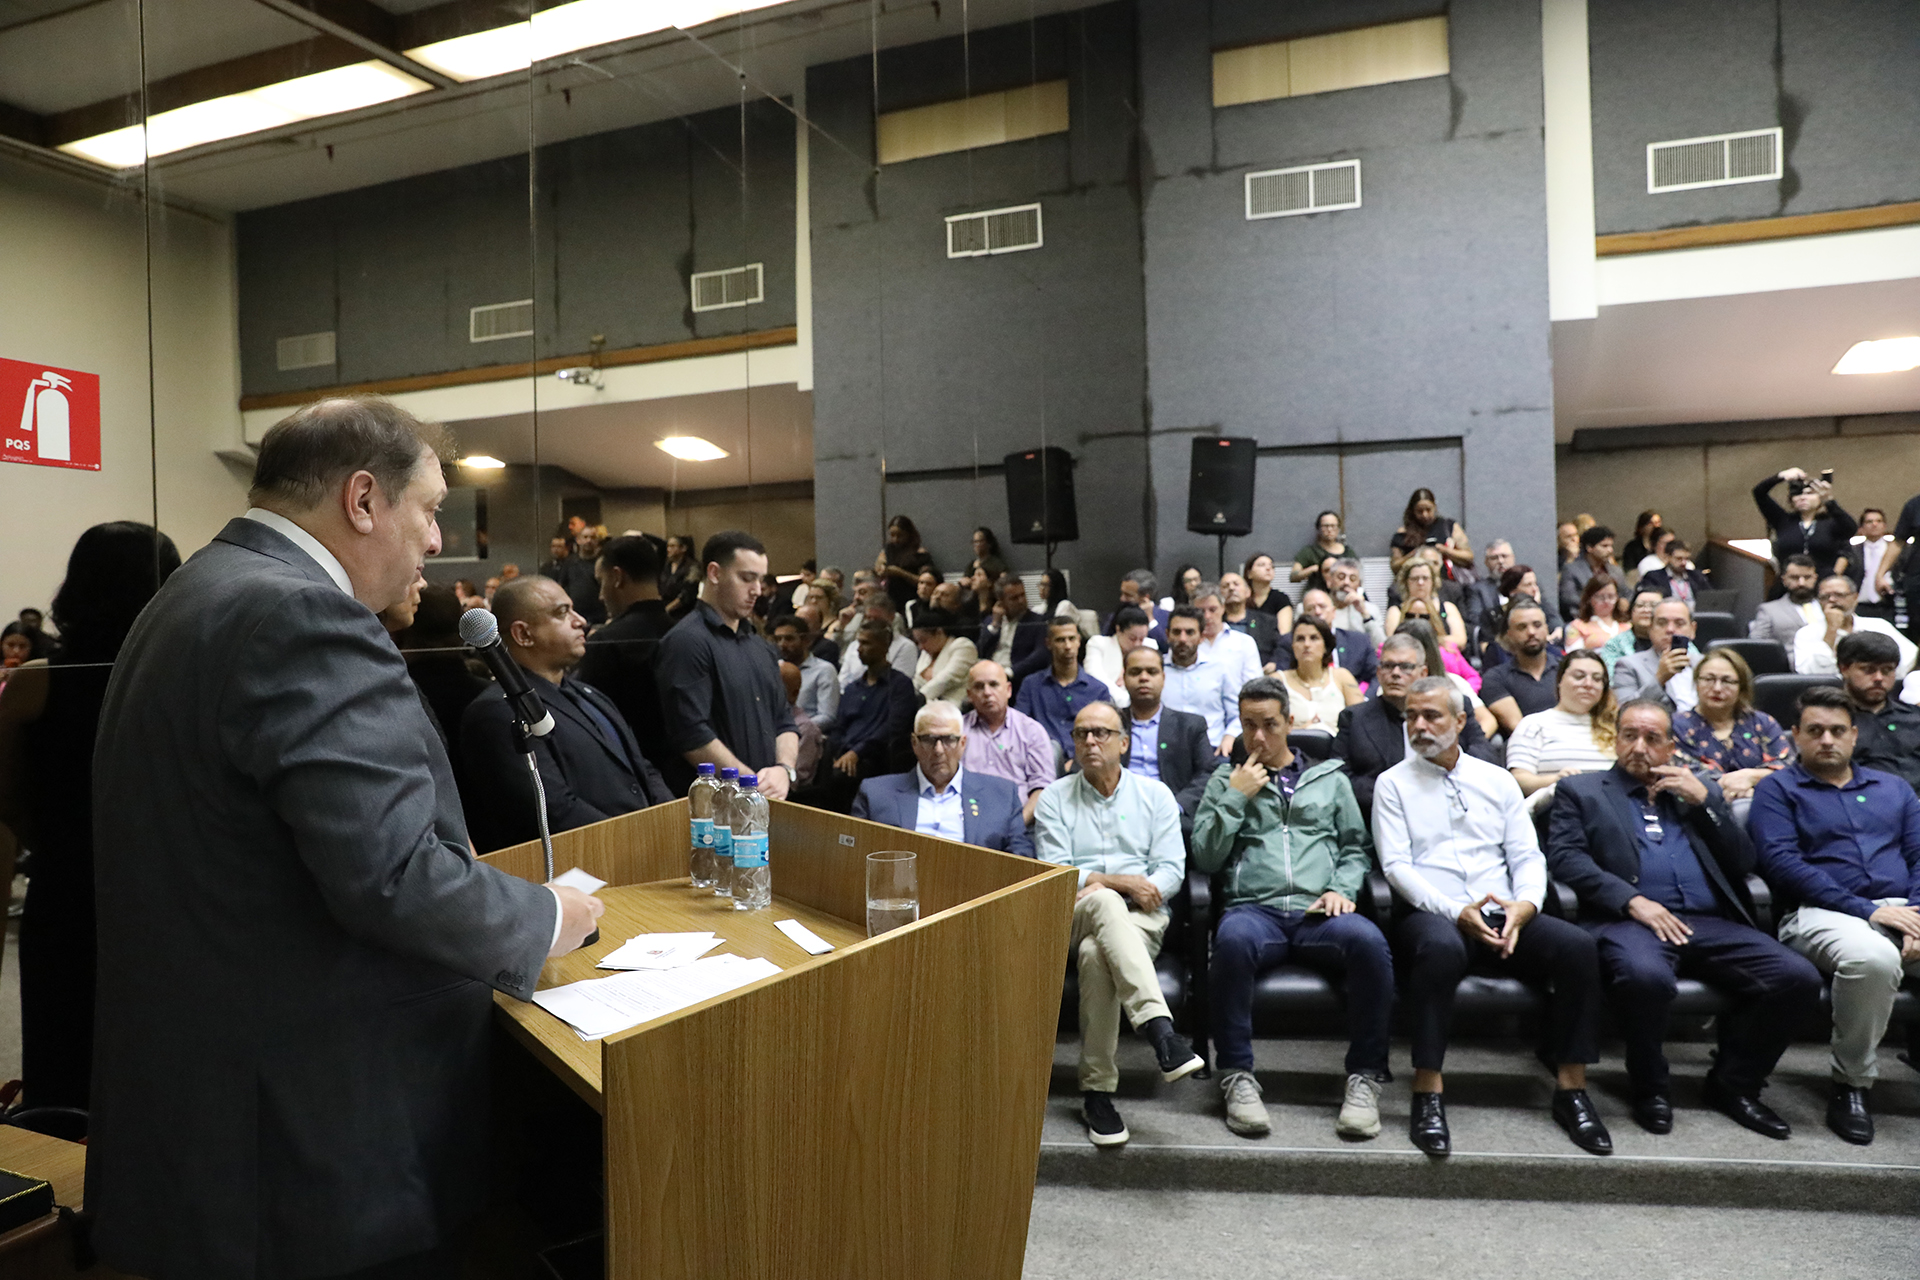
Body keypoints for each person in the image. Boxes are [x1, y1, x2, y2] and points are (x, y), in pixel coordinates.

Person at [86, 398, 604, 1278]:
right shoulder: (303, 617)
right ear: (363, 499)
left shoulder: (198, 590)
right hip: (308, 1137)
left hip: (206, 1104)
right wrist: (550, 916)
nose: (436, 541)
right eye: (430, 510)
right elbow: (395, 876)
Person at [1549, 698, 1821, 1137]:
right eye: (1630, 736)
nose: (1639, 747)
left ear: (1671, 747)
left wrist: (1704, 803)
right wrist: (1632, 901)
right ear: (1615, 740)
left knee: (1797, 978)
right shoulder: (1582, 790)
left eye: (1652, 738)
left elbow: (1743, 861)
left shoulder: (1696, 792)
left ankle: (1734, 1084)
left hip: (1710, 921)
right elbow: (1566, 858)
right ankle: (1650, 1088)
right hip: (1629, 922)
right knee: (1646, 978)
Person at [1375, 678, 1611, 1157]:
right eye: (1411, 716)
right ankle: (1427, 1090)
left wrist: (1526, 905)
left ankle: (1572, 1089)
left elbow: (1526, 855)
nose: (1419, 725)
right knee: (1438, 949)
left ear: (1461, 721)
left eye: (1431, 716)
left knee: (1578, 948)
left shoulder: (1496, 779)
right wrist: (1454, 911)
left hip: (1504, 910)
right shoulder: (1392, 783)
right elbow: (1396, 867)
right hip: (1435, 911)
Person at [0, 524, 179, 1113]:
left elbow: (8, 803)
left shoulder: (36, 681)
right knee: (156, 1072)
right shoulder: (182, 676)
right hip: (166, 890)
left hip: (64, 892)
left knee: (62, 1064)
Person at [1191, 676, 1393, 1140]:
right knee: (1231, 942)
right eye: (1248, 725)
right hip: (1254, 911)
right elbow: (1206, 857)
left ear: (1290, 722)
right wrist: (1235, 796)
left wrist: (1342, 887)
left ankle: (1365, 1077)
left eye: (1269, 724)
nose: (1258, 737)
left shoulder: (1330, 779)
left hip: (1318, 911)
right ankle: (1237, 1076)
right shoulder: (1224, 779)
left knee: (1370, 943)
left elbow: (1355, 847)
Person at [1749, 686, 1920, 1144]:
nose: (1827, 739)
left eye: (1837, 730)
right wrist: (1870, 911)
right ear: (1796, 735)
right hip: (1821, 913)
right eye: (1815, 730)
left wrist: (1916, 913)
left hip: (1904, 909)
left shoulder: (1894, 788)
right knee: (1874, 959)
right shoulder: (1777, 790)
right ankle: (1851, 1084)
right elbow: (1783, 866)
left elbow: (1919, 853)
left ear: (1854, 735)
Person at [1034, 702, 1202, 1147]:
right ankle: (1160, 1030)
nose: (1090, 741)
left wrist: (1112, 885)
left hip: (1143, 919)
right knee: (1104, 900)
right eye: (1081, 733)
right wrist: (1120, 883)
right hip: (1073, 915)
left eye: (1101, 733)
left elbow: (1171, 869)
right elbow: (1056, 870)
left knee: (1096, 955)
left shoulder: (1156, 795)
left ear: (1124, 743)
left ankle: (1098, 1094)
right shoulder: (1054, 797)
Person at [461, 576, 674, 851]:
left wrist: (668, 819)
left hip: (644, 849)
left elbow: (642, 768)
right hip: (589, 860)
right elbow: (554, 809)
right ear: (523, 634)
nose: (580, 621)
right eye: (562, 613)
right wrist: (636, 840)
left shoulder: (590, 694)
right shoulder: (498, 712)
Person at [655, 530, 800, 799]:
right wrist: (751, 785)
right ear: (714, 573)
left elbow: (785, 721)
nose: (757, 590)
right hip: (713, 805)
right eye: (746, 578)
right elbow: (691, 734)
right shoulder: (686, 641)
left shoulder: (760, 646)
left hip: (761, 799)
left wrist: (784, 770)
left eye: (760, 579)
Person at [1334, 634, 1494, 818]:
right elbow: (1339, 777)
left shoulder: (1452, 706)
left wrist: (1445, 785)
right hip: (1378, 812)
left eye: (1406, 667)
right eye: (1388, 666)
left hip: (1454, 804)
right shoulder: (1354, 718)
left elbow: (1484, 754)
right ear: (1378, 672)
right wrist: (1399, 794)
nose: (1395, 673)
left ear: (1423, 673)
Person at [852, 702, 1031, 855]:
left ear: (962, 743)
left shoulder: (1001, 795)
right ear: (914, 743)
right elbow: (854, 855)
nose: (938, 750)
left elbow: (1022, 859)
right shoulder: (875, 794)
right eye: (929, 739)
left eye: (948, 739)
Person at [573, 533, 678, 786]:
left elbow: (591, 726)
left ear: (617, 577)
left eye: (601, 582)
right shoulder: (683, 634)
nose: (601, 595)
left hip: (630, 776)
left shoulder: (606, 643)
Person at [1118, 643, 1220, 831]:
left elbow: (1208, 773)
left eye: (1152, 672)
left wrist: (1176, 806)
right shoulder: (1109, 724)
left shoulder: (1190, 726)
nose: (1143, 678)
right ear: (1124, 678)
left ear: (1163, 678)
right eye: (1135, 672)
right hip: (1117, 813)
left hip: (1173, 816)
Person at [1671, 649, 1795, 803]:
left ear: (1741, 688)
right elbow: (1684, 775)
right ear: (1696, 683)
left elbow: (1788, 769)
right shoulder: (1677, 726)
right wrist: (1738, 787)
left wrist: (1751, 777)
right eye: (1709, 679)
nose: (1717, 688)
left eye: (1727, 681)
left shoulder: (1762, 723)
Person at [821, 619, 922, 800]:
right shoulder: (852, 688)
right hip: (845, 754)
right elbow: (839, 726)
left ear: (884, 646)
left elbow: (893, 728)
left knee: (840, 779)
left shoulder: (900, 685)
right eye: (859, 643)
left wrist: (857, 752)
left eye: (866, 643)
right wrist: (836, 754)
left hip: (877, 757)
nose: (859, 649)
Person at [1507, 651, 1618, 807]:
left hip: (1611, 807)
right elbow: (1519, 779)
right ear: (1560, 680)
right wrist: (1556, 780)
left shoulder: (1618, 726)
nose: (1588, 684)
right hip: (1556, 807)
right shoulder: (1534, 724)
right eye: (1579, 676)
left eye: (1597, 679)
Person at [960, 659, 1056, 823]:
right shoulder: (958, 731)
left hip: (1019, 823)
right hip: (966, 822)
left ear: (1008, 690)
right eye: (979, 687)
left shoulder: (1031, 731)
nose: (987, 692)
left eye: (994, 685)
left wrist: (1018, 825)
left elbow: (1043, 788)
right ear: (969, 695)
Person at [1015, 616, 1114, 758]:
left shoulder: (1098, 690)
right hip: (1043, 758)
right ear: (1048, 643)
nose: (1068, 646)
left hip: (1085, 760)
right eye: (1060, 640)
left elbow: (1104, 735)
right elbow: (1019, 727)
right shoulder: (1031, 685)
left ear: (1079, 640)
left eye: (1071, 639)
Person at [1836, 631, 1920, 794]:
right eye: (1868, 670)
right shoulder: (1830, 723)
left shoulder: (1915, 717)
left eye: (1887, 670)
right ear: (1844, 668)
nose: (1879, 678)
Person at [1794, 574, 1917, 679]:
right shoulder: (1807, 633)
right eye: (1825, 597)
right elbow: (1812, 675)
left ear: (1855, 597)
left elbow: (1912, 661)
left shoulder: (1879, 626)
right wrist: (1831, 630)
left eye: (1839, 595)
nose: (1832, 600)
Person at [1161, 607, 1241, 756]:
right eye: (1176, 632)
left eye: (1190, 632)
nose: (1182, 639)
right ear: (1167, 635)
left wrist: (1230, 736)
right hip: (1166, 751)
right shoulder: (1156, 670)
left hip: (1212, 749)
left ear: (1202, 637)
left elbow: (1237, 713)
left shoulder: (1220, 669)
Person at [1753, 467, 1856, 580]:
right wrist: (1781, 476)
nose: (1803, 498)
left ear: (1819, 498)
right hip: (1790, 582)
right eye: (1797, 494)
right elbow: (1759, 493)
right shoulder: (1783, 521)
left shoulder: (1831, 524)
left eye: (1809, 494)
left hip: (1823, 582)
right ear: (1791, 500)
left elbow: (1851, 528)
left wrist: (1829, 501)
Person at [1479, 600, 1564, 736]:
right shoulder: (1495, 678)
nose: (1531, 632)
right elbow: (1519, 728)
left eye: (1537, 625)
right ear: (1509, 634)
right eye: (1522, 627)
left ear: (1547, 629)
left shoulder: (1567, 670)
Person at [1274, 587, 1379, 688]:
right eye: (1310, 608)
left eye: (1322, 607)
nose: (1317, 612)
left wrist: (1364, 698)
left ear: (1333, 612)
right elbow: (1283, 677)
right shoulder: (1289, 641)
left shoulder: (1358, 640)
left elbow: (1376, 676)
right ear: (1303, 615)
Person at [1277, 616, 1361, 736]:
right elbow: (1270, 728)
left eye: (1314, 638)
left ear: (1326, 646)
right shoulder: (1278, 681)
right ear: (1293, 646)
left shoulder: (1342, 677)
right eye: (1300, 639)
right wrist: (1301, 729)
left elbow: (1361, 723)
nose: (1306, 644)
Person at [1613, 598, 1702, 711]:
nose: (1670, 629)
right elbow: (1623, 712)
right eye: (1662, 623)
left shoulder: (1705, 664)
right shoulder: (1628, 665)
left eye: (1679, 623)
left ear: (1692, 629)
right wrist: (1659, 679)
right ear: (1650, 628)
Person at [1189, 581, 1263, 690]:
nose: (1207, 616)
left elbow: (1254, 685)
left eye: (1213, 610)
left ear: (1223, 608)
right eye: (1200, 611)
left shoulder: (1244, 642)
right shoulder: (1187, 643)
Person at [772, 615, 840, 731]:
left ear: (806, 641)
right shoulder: (775, 668)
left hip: (807, 733)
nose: (782, 644)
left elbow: (827, 716)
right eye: (778, 639)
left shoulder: (824, 670)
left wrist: (796, 728)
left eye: (789, 639)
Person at [837, 593, 919, 688]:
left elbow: (899, 683)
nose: (871, 622)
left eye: (877, 619)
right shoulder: (855, 645)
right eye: (868, 617)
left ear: (891, 617)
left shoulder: (905, 647)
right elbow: (842, 681)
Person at [1385, 558, 1468, 651]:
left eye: (1425, 578)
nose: (1420, 583)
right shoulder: (1396, 611)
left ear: (1433, 581)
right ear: (1406, 582)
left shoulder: (1448, 608)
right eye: (1415, 579)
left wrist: (1430, 641)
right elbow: (1392, 641)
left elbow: (1461, 640)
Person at [1389, 487, 1473, 575]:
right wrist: (1414, 555)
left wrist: (1446, 551)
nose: (1425, 515)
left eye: (1428, 510)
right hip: (1416, 579)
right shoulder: (1403, 533)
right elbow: (1394, 566)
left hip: (1446, 579)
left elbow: (1469, 556)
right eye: (1419, 511)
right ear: (1413, 511)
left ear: (1435, 507)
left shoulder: (1449, 527)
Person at [979, 574, 1047, 679]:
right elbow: (980, 651)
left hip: (1017, 676)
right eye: (1014, 598)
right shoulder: (990, 621)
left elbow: (1040, 655)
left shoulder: (1038, 621)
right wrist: (995, 625)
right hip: (989, 674)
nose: (1021, 601)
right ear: (1001, 601)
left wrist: (1009, 672)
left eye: (1023, 595)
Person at [909, 606, 977, 706]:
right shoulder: (926, 654)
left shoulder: (963, 646)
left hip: (953, 706)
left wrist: (920, 697)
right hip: (924, 706)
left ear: (939, 632)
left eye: (923, 640)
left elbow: (949, 677)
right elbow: (916, 682)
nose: (921, 647)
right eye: (918, 642)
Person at [1748, 554, 1822, 644]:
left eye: (1807, 577)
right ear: (1784, 580)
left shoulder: (1827, 607)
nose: (1801, 583)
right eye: (1795, 577)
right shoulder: (1768, 610)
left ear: (1815, 579)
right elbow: (1756, 645)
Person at [1558, 524, 1625, 622]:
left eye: (1611, 546)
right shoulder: (1571, 570)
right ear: (1589, 548)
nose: (1610, 550)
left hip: (1614, 619)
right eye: (1604, 546)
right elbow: (1568, 598)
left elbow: (1626, 593)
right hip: (1583, 618)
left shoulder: (1616, 570)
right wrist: (1596, 603)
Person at [1087, 604, 1153, 700]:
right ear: (1118, 630)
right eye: (1132, 638)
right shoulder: (1098, 644)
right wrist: (1124, 699)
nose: (1137, 644)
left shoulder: (1150, 646)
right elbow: (1094, 676)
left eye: (1142, 639)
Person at [1219, 571, 1283, 670]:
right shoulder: (1214, 624)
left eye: (1236, 584)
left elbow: (1280, 648)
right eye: (1225, 586)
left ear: (1248, 592)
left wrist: (1274, 663)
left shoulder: (1267, 622)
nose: (1231, 588)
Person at [875, 514, 936, 613]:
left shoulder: (920, 554)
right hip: (892, 599)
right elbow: (879, 563)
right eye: (892, 535)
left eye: (900, 535)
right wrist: (881, 566)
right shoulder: (889, 549)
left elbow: (926, 581)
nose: (895, 539)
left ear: (909, 534)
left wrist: (900, 573)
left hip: (911, 599)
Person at [1881, 493, 1920, 643]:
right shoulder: (1914, 504)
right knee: (1916, 622)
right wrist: (1880, 574)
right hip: (1917, 573)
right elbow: (1898, 542)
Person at [1597, 587, 1663, 675]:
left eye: (1653, 606)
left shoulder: (1673, 642)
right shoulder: (1614, 645)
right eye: (1640, 605)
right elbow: (1611, 677)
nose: (1646, 610)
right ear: (1632, 612)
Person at [1848, 507, 1898, 621]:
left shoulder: (1894, 551)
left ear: (1884, 526)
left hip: (1887, 605)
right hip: (1860, 606)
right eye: (1869, 522)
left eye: (1878, 521)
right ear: (1861, 528)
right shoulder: (1853, 551)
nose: (1874, 524)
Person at [1322, 557, 1386, 647]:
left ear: (1359, 585)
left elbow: (1381, 645)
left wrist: (1364, 614)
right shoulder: (1316, 607)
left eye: (1352, 578)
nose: (1346, 582)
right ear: (1330, 582)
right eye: (1341, 577)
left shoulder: (1370, 610)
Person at [781, 661, 825, 786]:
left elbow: (795, 776)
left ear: (794, 694)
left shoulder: (806, 728)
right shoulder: (766, 719)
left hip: (787, 792)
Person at [1105, 569, 1170, 643]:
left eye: (1128, 595)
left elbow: (1166, 646)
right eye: (1122, 593)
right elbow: (1106, 642)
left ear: (1145, 597)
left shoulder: (1166, 617)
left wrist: (1150, 619)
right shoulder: (1116, 616)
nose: (1122, 599)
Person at [1638, 538, 1710, 604]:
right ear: (1667, 557)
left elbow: (1710, 597)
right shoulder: (1653, 577)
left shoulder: (1697, 576)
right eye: (1679, 558)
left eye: (1686, 559)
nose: (1684, 563)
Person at [1291, 509, 1347, 591]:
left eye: (1333, 526)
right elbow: (1293, 576)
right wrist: (1314, 569)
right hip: (1316, 594)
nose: (1329, 529)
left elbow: (1358, 575)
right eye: (1326, 526)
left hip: (1341, 593)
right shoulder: (1309, 551)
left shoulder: (1347, 551)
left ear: (1338, 529)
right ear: (1318, 528)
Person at [1565, 575, 1624, 652]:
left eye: (1611, 597)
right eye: (1600, 597)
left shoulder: (1627, 625)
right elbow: (1574, 654)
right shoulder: (1577, 627)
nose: (1606, 601)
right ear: (1589, 599)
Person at [660, 533, 702, 619]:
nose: (668, 549)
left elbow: (687, 595)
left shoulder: (693, 567)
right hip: (665, 608)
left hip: (683, 613)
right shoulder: (667, 566)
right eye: (668, 546)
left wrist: (666, 610)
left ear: (683, 548)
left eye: (672, 546)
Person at [1242, 552, 1291, 621]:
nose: (1268, 568)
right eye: (1261, 565)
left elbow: (1284, 627)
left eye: (1272, 566)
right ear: (1249, 574)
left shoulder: (1281, 598)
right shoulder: (1242, 598)